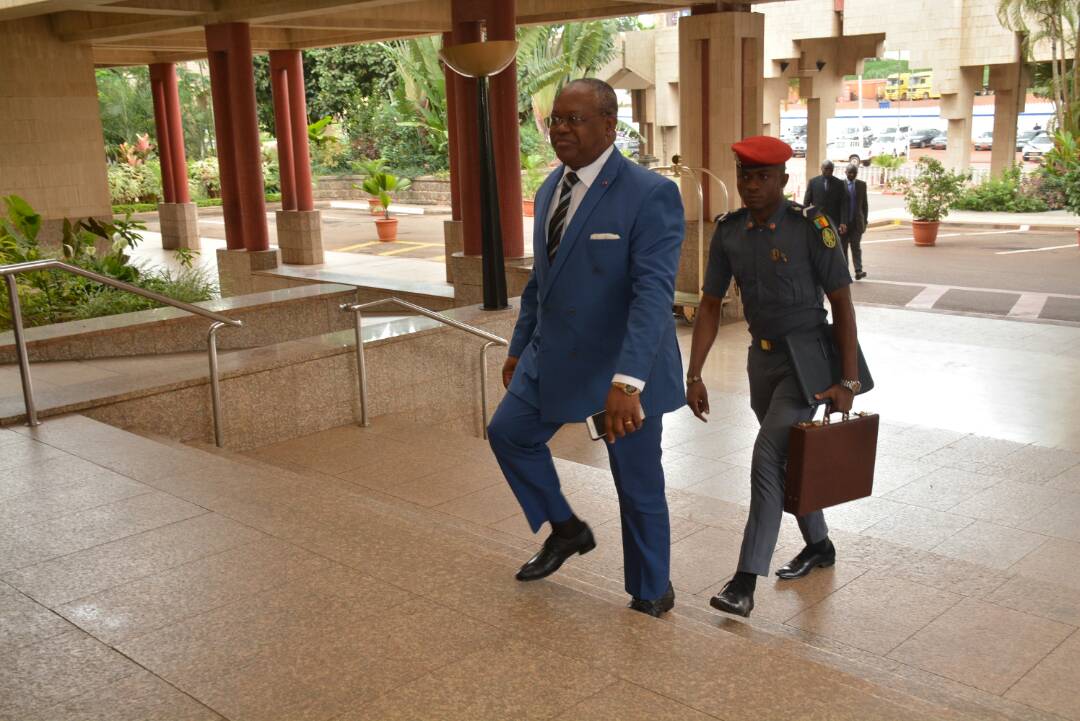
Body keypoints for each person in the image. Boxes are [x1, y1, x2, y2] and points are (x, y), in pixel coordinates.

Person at [487, 78, 686, 617]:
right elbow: (542, 281)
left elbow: (652, 295)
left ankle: (652, 590)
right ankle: (566, 528)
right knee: (508, 433)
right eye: (556, 119)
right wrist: (518, 347)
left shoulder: (649, 193)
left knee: (636, 483)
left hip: (621, 370)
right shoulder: (550, 189)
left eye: (574, 120)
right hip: (552, 355)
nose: (561, 129)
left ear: (609, 126)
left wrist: (628, 382)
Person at [685, 136, 862, 618]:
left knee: (767, 455)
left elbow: (842, 304)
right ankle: (819, 545)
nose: (751, 185)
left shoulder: (811, 227)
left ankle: (744, 581)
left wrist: (848, 382)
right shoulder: (729, 232)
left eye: (762, 176)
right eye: (744, 175)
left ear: (783, 179)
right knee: (786, 457)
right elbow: (709, 305)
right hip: (760, 362)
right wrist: (694, 374)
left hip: (808, 363)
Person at [804, 160, 848, 234]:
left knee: (832, 239)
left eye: (830, 169)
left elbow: (843, 204)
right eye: (826, 169)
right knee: (818, 238)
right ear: (821, 168)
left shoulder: (839, 183)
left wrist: (843, 222)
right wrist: (806, 219)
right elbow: (806, 202)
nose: (828, 171)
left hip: (834, 220)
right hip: (818, 218)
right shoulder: (813, 182)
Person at [841, 163, 869, 280]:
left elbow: (864, 205)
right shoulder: (840, 185)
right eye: (850, 172)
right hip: (844, 223)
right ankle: (845, 272)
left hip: (857, 223)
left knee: (856, 247)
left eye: (854, 173)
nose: (852, 175)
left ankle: (858, 270)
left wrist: (865, 221)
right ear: (845, 172)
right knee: (843, 248)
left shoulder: (862, 185)